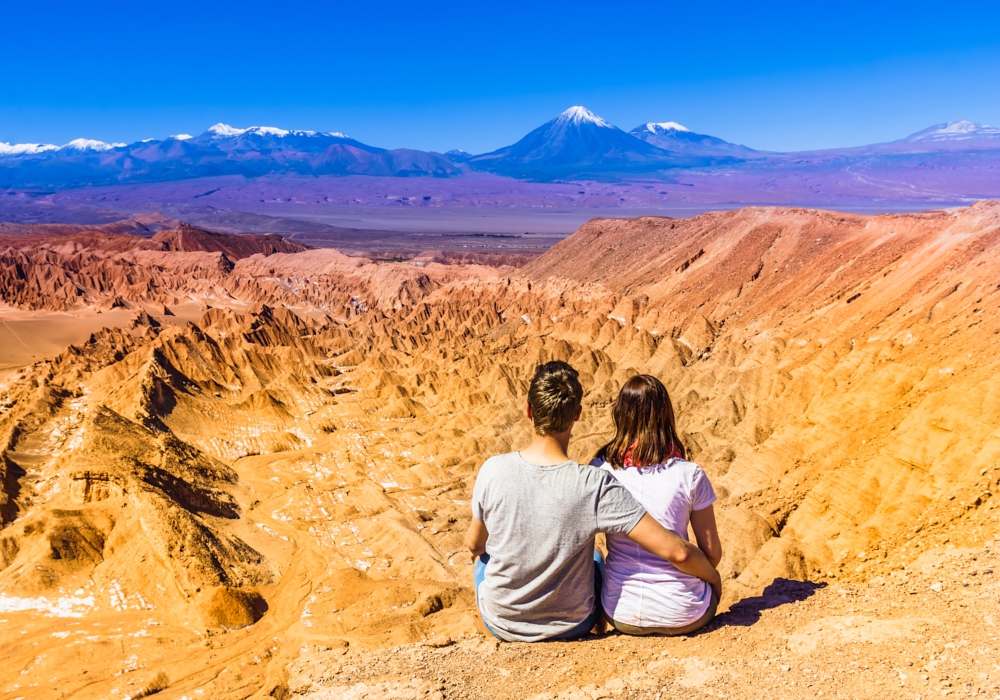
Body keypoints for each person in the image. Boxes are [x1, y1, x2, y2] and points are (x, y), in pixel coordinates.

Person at [465, 361, 721, 643]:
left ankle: (488, 627)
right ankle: (596, 633)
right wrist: (713, 579)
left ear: (528, 411)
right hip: (573, 624)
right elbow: (678, 551)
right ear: (578, 414)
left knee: (483, 561)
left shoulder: (493, 469)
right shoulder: (593, 483)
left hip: (506, 624)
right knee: (594, 560)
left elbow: (475, 545)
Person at [592, 374, 723, 636]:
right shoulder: (690, 474)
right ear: (666, 415)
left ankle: (595, 631)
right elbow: (712, 555)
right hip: (686, 613)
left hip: (621, 613)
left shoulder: (599, 471)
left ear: (620, 414)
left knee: (595, 558)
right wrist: (714, 581)